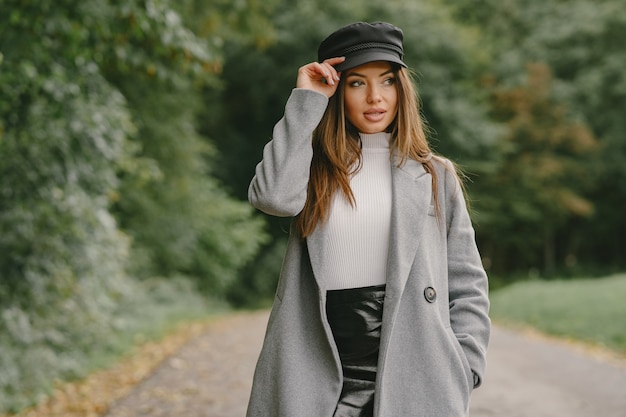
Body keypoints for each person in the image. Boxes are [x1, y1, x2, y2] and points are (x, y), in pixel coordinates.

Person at [246, 21, 490, 417]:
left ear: (401, 89)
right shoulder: (312, 168)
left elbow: (467, 282)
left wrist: (464, 367)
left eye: (387, 81)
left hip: (414, 370)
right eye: (357, 82)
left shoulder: (435, 176)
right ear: (338, 89)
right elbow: (271, 196)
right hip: (318, 367)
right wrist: (307, 100)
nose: (375, 97)